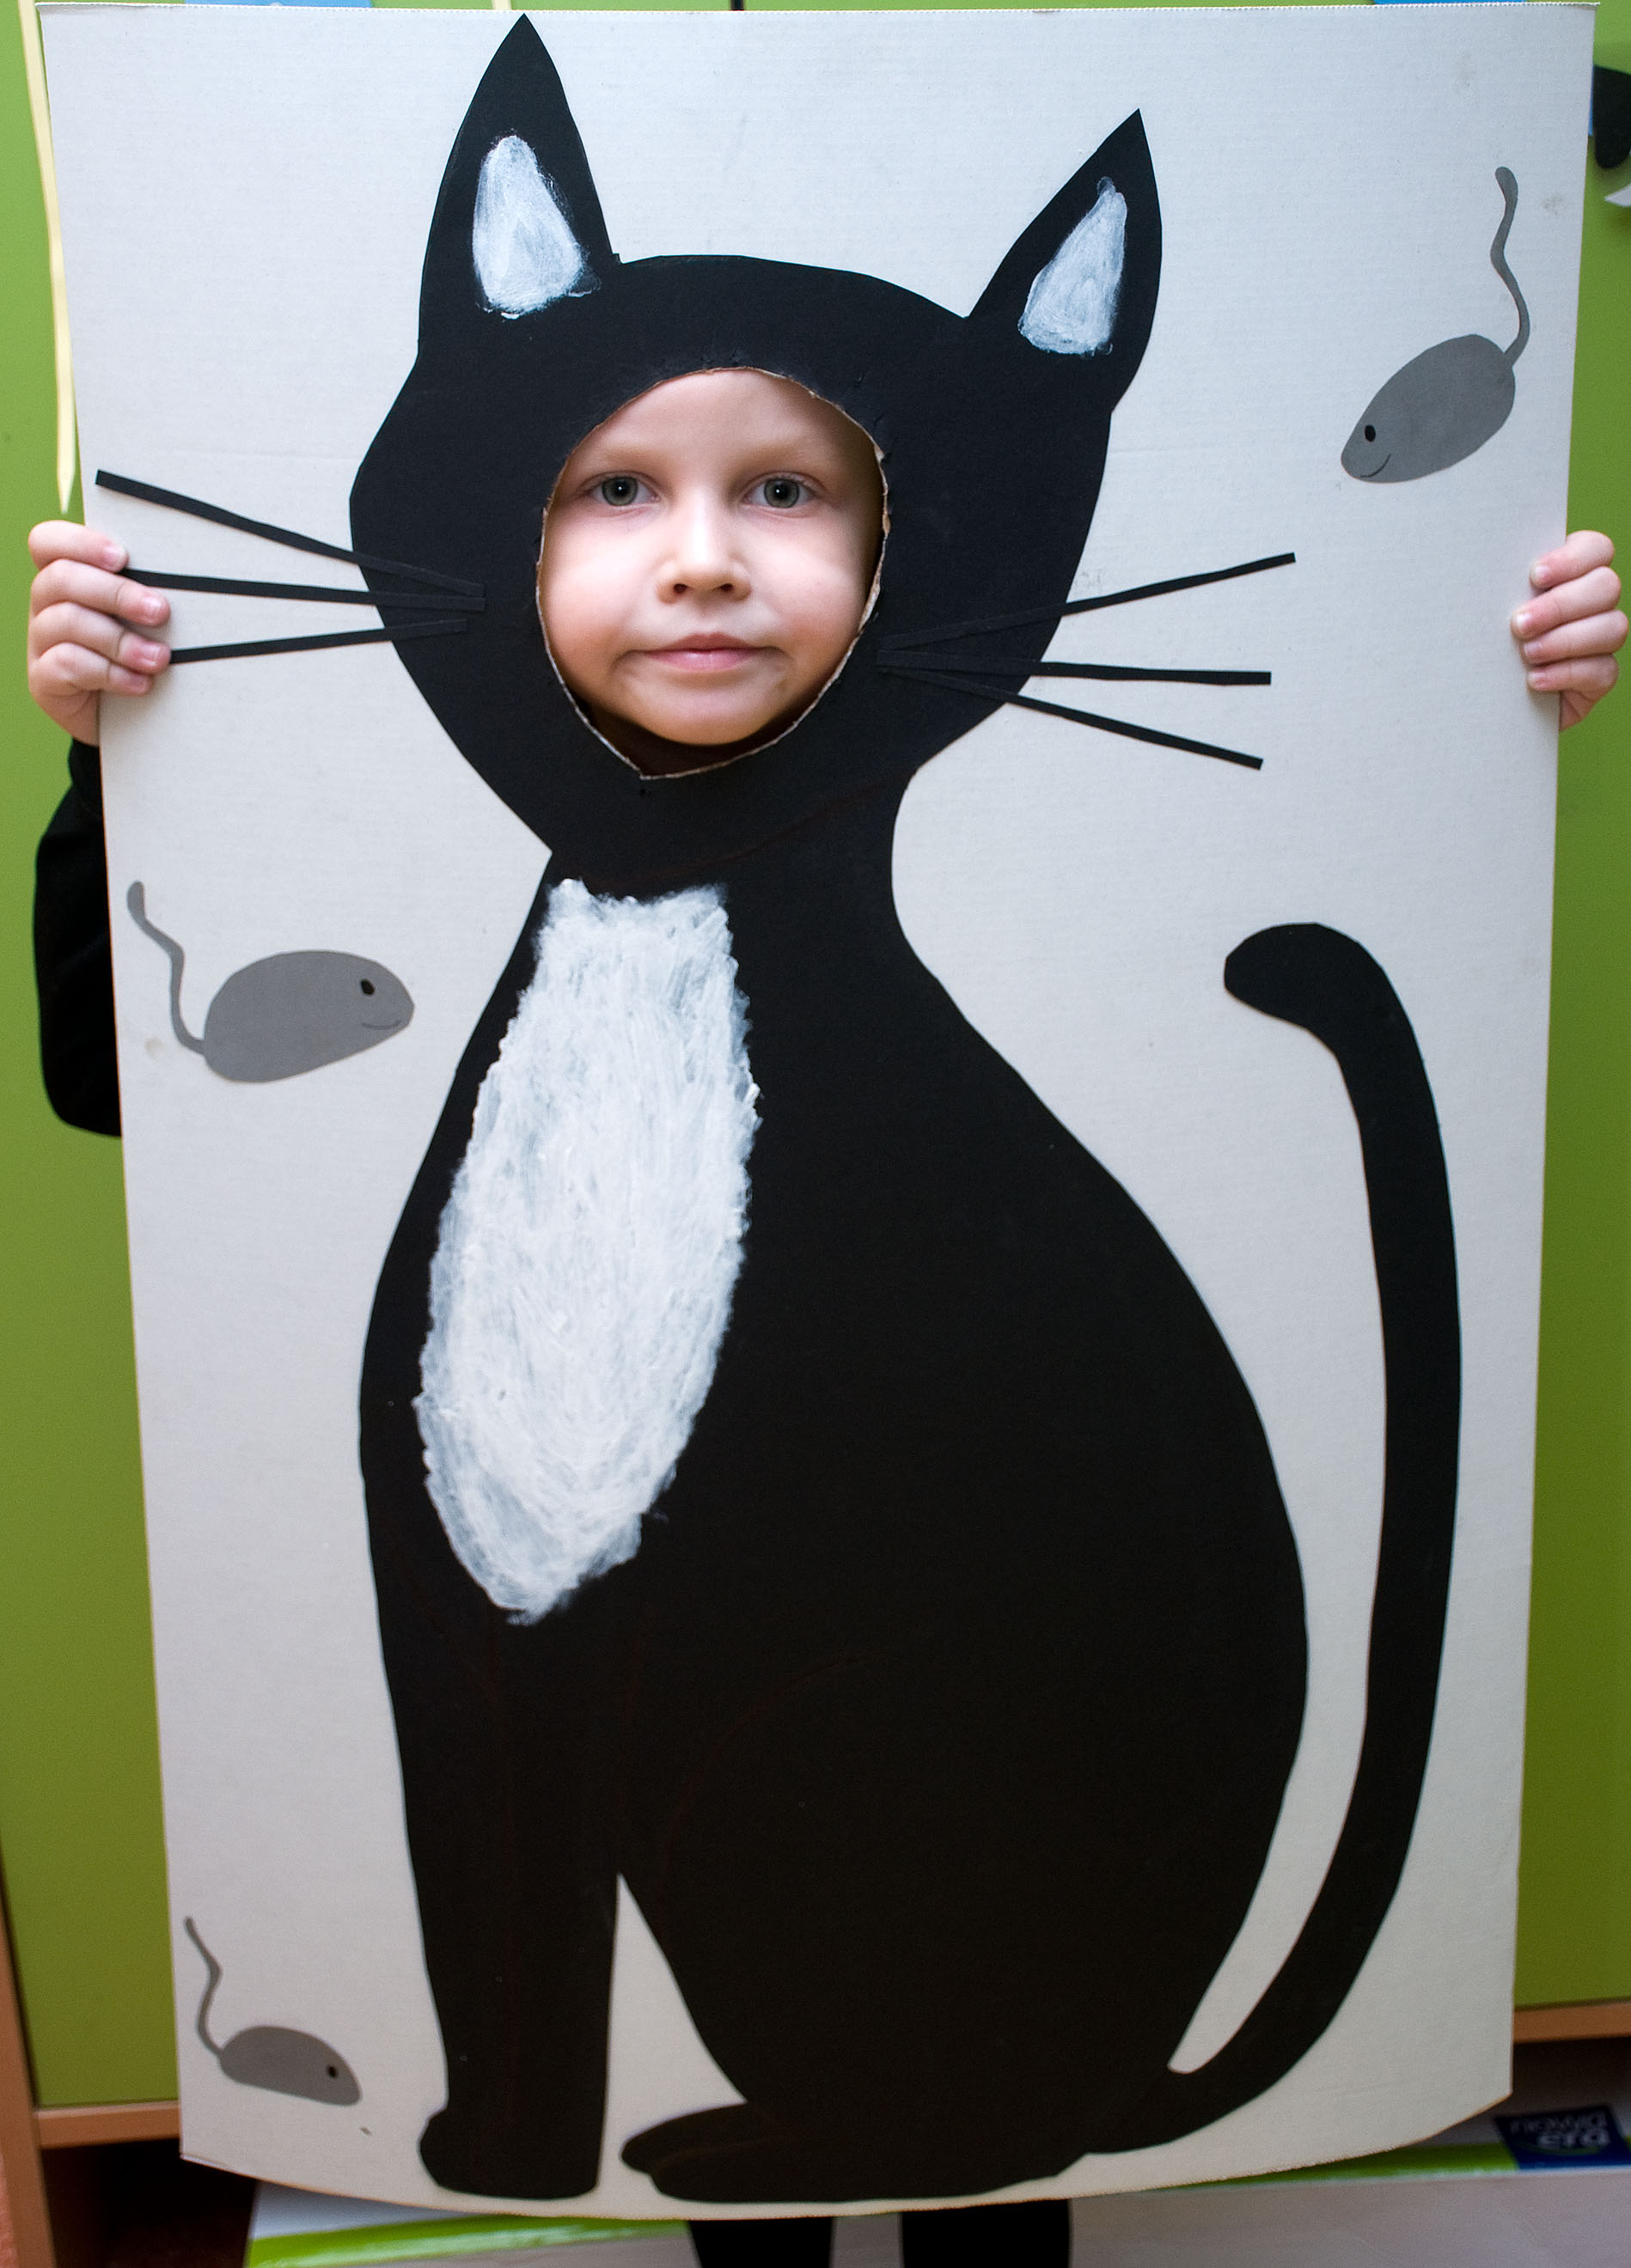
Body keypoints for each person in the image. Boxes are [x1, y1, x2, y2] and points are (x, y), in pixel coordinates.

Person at [21, 372, 1629, 2267]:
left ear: (899, 545)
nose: (702, 561)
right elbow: (119, 1086)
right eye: (616, 486)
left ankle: (974, 2116)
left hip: (995, 1808)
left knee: (919, 1849)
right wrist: (133, 757)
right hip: (735, 1774)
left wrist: (1470, 662)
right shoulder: (503, 968)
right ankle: (550, 2104)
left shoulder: (976, 983)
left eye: (784, 489)